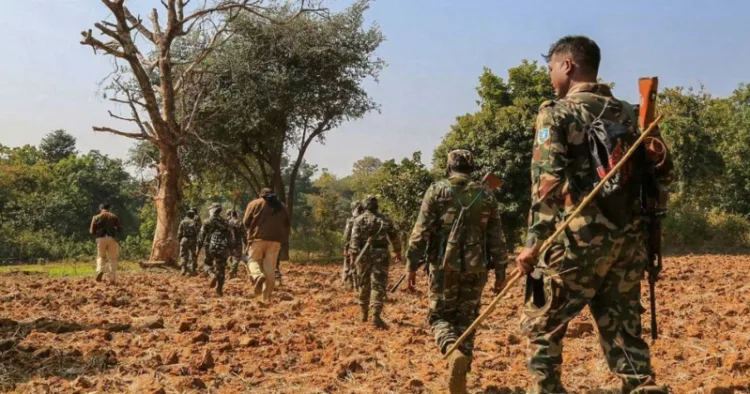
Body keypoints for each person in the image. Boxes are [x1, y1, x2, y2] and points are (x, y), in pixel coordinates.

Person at [514, 36, 672, 394]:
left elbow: (547, 185)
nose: (551, 75)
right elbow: (664, 176)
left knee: (543, 324)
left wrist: (532, 244)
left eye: (552, 67)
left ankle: (548, 390)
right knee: (622, 326)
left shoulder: (557, 113)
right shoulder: (633, 113)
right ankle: (641, 385)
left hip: (576, 239)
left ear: (567, 65)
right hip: (629, 241)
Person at [404, 150, 508, 394]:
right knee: (468, 319)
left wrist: (411, 265)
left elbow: (421, 232)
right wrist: (501, 272)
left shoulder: (436, 191)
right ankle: (462, 371)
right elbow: (497, 238)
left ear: (449, 167)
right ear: (471, 168)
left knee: (439, 317)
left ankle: (452, 350)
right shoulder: (486, 195)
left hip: (442, 268)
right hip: (476, 268)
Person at [349, 195, 402, 329]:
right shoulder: (385, 220)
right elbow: (394, 237)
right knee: (378, 285)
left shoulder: (359, 220)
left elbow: (354, 240)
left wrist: (353, 258)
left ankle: (363, 314)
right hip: (381, 254)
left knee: (364, 283)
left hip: (363, 255)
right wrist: (398, 252)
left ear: (365, 206)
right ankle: (375, 317)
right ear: (377, 206)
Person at [243, 188, 290, 303]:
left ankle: (258, 276)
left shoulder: (254, 204)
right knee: (270, 269)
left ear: (261, 195)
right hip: (276, 241)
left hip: (257, 238)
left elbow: (245, 222)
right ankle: (266, 299)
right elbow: (287, 223)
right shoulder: (282, 206)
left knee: (252, 261)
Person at [198, 203, 232, 296]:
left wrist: (197, 249)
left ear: (212, 210)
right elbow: (230, 237)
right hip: (222, 247)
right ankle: (219, 290)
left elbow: (201, 236)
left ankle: (212, 275)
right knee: (221, 268)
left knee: (207, 264)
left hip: (209, 246)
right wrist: (231, 249)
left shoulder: (207, 221)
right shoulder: (225, 222)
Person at [89, 203, 122, 284]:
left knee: (100, 256)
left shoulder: (95, 217)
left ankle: (100, 270)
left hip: (100, 239)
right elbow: (120, 229)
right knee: (112, 258)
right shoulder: (113, 216)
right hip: (112, 239)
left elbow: (91, 231)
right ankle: (112, 278)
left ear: (100, 209)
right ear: (108, 208)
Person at [342, 200, 365, 288]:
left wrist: (345, 248)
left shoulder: (352, 220)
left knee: (349, 266)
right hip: (364, 248)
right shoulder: (365, 219)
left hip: (352, 247)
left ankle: (348, 285)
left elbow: (346, 236)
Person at [177, 209, 200, 276]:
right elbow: (197, 232)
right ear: (192, 215)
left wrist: (180, 240)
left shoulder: (183, 222)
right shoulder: (194, 222)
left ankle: (183, 269)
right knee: (192, 255)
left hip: (184, 239)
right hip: (193, 239)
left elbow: (179, 233)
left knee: (183, 255)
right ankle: (192, 270)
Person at [226, 210, 246, 279]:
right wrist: (246, 242)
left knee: (231, 256)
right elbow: (243, 234)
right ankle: (232, 270)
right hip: (237, 242)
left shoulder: (227, 222)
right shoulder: (239, 222)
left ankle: (233, 273)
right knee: (237, 257)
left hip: (228, 242)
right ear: (237, 214)